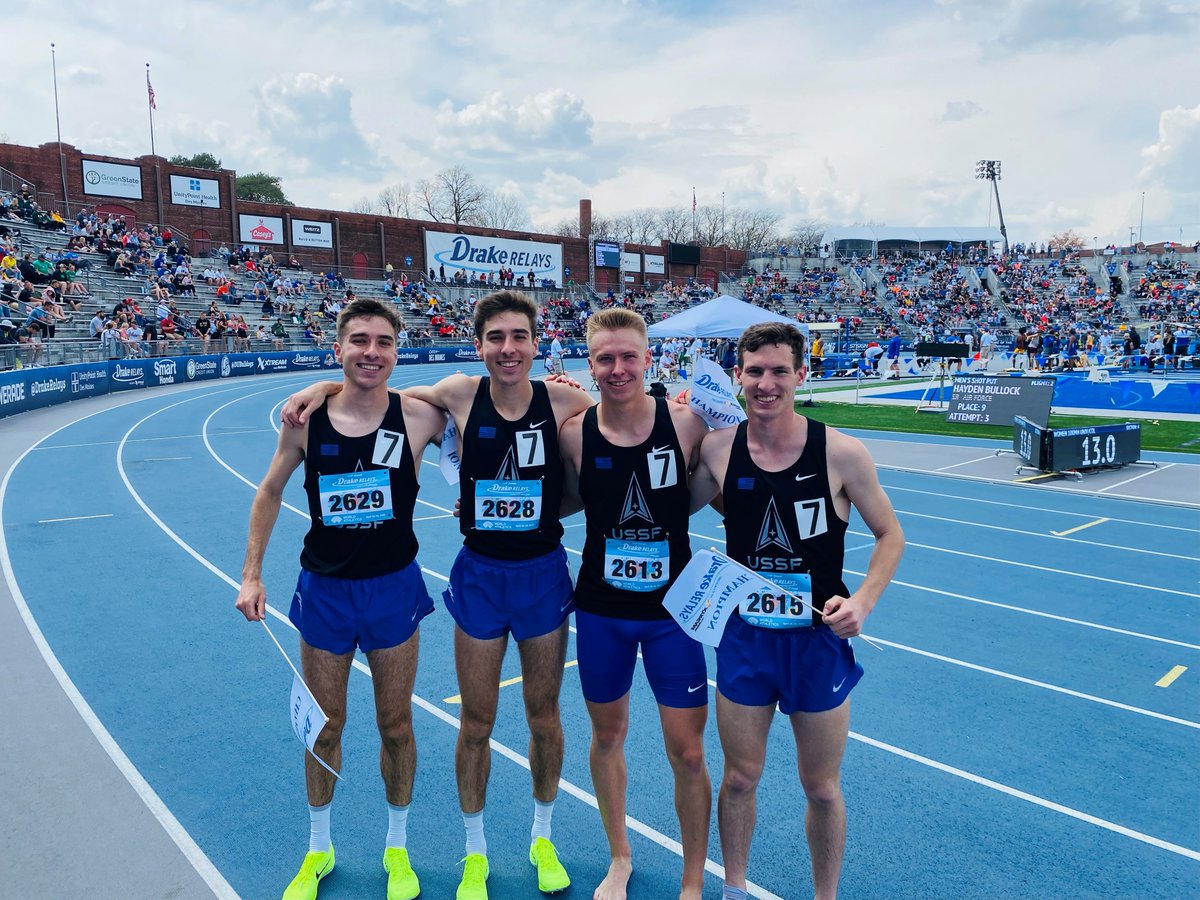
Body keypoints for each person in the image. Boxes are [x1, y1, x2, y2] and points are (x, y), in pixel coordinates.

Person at [283, 291, 593, 900]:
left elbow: (612, 444)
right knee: (475, 721)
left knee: (544, 717)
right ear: (478, 346)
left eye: (520, 337)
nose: (508, 348)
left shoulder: (566, 402)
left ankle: (542, 838)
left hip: (543, 576)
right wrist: (322, 387)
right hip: (479, 576)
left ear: (537, 344)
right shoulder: (456, 394)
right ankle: (474, 855)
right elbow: (372, 389)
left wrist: (546, 510)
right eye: (496, 337)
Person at [235, 299, 447, 900]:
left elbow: (491, 402)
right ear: (339, 348)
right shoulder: (305, 421)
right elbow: (269, 490)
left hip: (393, 589)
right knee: (324, 727)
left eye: (384, 342)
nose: (371, 352)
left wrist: (566, 390)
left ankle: (397, 849)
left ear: (397, 352)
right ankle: (318, 848)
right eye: (359, 341)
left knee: (396, 726)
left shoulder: (419, 417)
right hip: (325, 592)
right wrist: (251, 574)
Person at [689, 323, 904, 900]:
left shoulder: (841, 452)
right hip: (746, 640)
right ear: (737, 376)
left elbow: (890, 535)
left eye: (780, 371)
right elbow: (670, 502)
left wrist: (863, 601)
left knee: (823, 788)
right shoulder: (718, 448)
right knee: (740, 779)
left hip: (816, 642)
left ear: (801, 375)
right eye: (755, 371)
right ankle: (734, 889)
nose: (767, 383)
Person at [559, 308, 711, 900]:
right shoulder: (574, 432)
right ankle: (619, 857)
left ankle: (692, 881)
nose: (618, 368)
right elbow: (562, 501)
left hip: (673, 615)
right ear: (590, 364)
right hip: (602, 612)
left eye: (628, 356)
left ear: (649, 359)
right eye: (605, 358)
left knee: (688, 751)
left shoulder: (688, 423)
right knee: (607, 738)